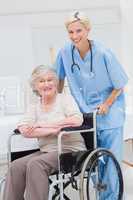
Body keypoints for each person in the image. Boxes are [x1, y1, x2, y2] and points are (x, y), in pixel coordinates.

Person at [55, 11, 128, 199]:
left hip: (109, 114)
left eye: (79, 31)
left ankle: (111, 198)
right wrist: (57, 103)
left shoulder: (103, 53)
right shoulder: (65, 52)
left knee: (110, 163)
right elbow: (59, 79)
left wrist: (107, 104)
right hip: (85, 115)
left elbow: (120, 85)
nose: (74, 36)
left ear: (88, 30)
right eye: (70, 32)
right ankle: (102, 195)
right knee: (93, 162)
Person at [3, 65, 86, 200]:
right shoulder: (34, 106)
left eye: (50, 80)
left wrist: (42, 125)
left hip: (69, 150)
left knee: (36, 164)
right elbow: (24, 129)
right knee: (16, 166)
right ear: (35, 86)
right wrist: (52, 130)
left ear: (55, 82)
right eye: (41, 81)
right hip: (46, 151)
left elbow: (77, 120)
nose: (46, 84)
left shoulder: (64, 99)